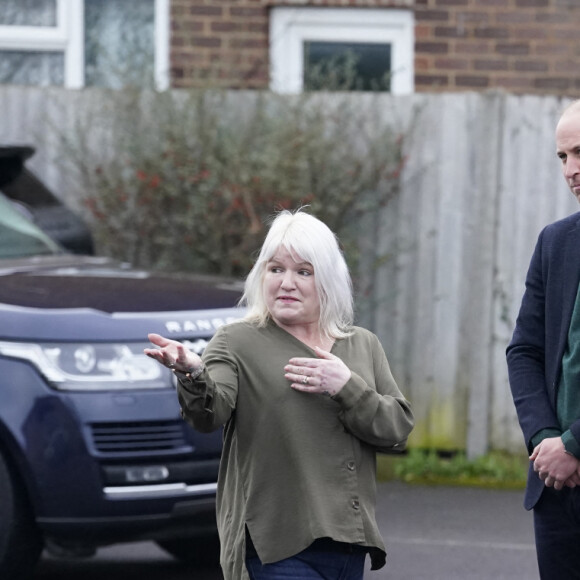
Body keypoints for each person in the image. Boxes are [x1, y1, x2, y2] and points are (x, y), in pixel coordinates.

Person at [145, 209, 414, 580]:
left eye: (303, 271)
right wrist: (192, 373)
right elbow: (209, 414)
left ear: (328, 281)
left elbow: (396, 429)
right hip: (274, 548)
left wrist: (346, 386)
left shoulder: (362, 345)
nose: (286, 283)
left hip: (348, 544)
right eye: (276, 269)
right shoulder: (236, 340)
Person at [507, 99, 580, 580]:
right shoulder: (556, 242)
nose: (571, 170)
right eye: (562, 157)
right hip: (557, 489)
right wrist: (545, 439)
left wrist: (575, 443)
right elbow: (525, 351)